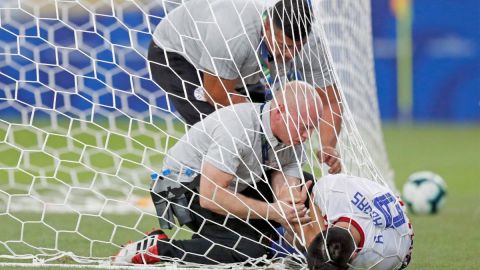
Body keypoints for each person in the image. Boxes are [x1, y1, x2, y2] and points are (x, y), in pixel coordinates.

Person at [113, 81, 322, 265]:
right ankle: (158, 248)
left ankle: (292, 246)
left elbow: (286, 181)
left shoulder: (292, 134)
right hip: (181, 190)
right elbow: (210, 196)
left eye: (312, 128)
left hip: (231, 184)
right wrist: (273, 211)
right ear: (280, 112)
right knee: (249, 252)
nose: (306, 136)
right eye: (303, 127)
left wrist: (289, 202)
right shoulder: (238, 129)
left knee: (306, 183)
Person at [148, 0, 342, 174]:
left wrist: (328, 146)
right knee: (229, 132)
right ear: (266, 26)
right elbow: (216, 93)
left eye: (295, 47)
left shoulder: (313, 45)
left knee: (272, 127)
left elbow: (330, 101)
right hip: (179, 56)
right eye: (282, 45)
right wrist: (254, 120)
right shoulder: (235, 32)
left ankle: (273, 195)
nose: (289, 54)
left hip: (239, 72)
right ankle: (200, 194)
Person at [284, 174, 413, 270]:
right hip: (371, 204)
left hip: (399, 245)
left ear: (354, 255)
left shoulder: (373, 261)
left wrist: (296, 223)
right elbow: (314, 196)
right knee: (303, 238)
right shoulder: (329, 190)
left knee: (296, 236)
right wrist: (297, 211)